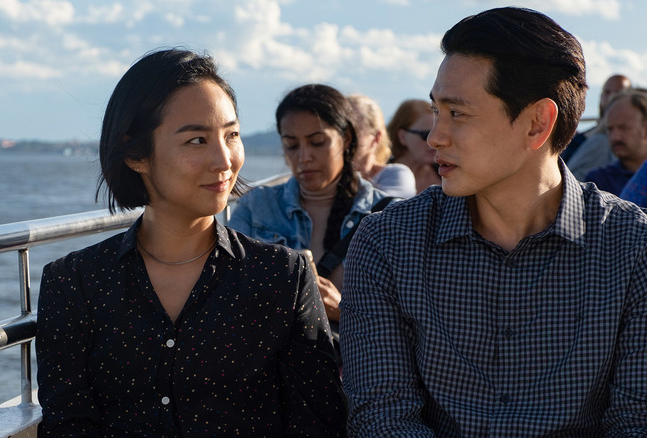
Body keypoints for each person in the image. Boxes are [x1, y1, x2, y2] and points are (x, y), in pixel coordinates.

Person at [341, 7, 647, 437]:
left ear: (537, 123)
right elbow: (383, 417)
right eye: (435, 111)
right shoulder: (387, 242)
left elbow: (635, 421)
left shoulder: (633, 248)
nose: (434, 137)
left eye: (457, 114)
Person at [35, 49, 347, 437]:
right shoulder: (75, 283)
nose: (224, 160)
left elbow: (318, 423)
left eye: (232, 135)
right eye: (197, 140)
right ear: (136, 153)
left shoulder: (281, 278)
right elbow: (68, 424)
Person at [228, 83, 390, 346]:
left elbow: (409, 321)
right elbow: (227, 293)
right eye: (291, 146)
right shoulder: (255, 206)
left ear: (346, 138)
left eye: (317, 143)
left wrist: (343, 310)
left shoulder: (387, 215)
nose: (304, 157)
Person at [347, 94, 416, 198]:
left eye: (354, 129)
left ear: (376, 137)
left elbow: (386, 209)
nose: (345, 136)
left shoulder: (396, 175)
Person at [564, 74, 632, 180]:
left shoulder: (606, 142)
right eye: (607, 92)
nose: (611, 98)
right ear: (600, 96)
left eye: (618, 93)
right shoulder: (575, 138)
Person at [585, 90, 647, 194]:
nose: (615, 137)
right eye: (610, 129)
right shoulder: (598, 182)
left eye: (624, 128)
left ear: (645, 129)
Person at [386, 99, 441, 193]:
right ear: (402, 137)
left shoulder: (446, 173)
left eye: (438, 134)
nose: (434, 141)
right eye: (425, 134)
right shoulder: (381, 177)